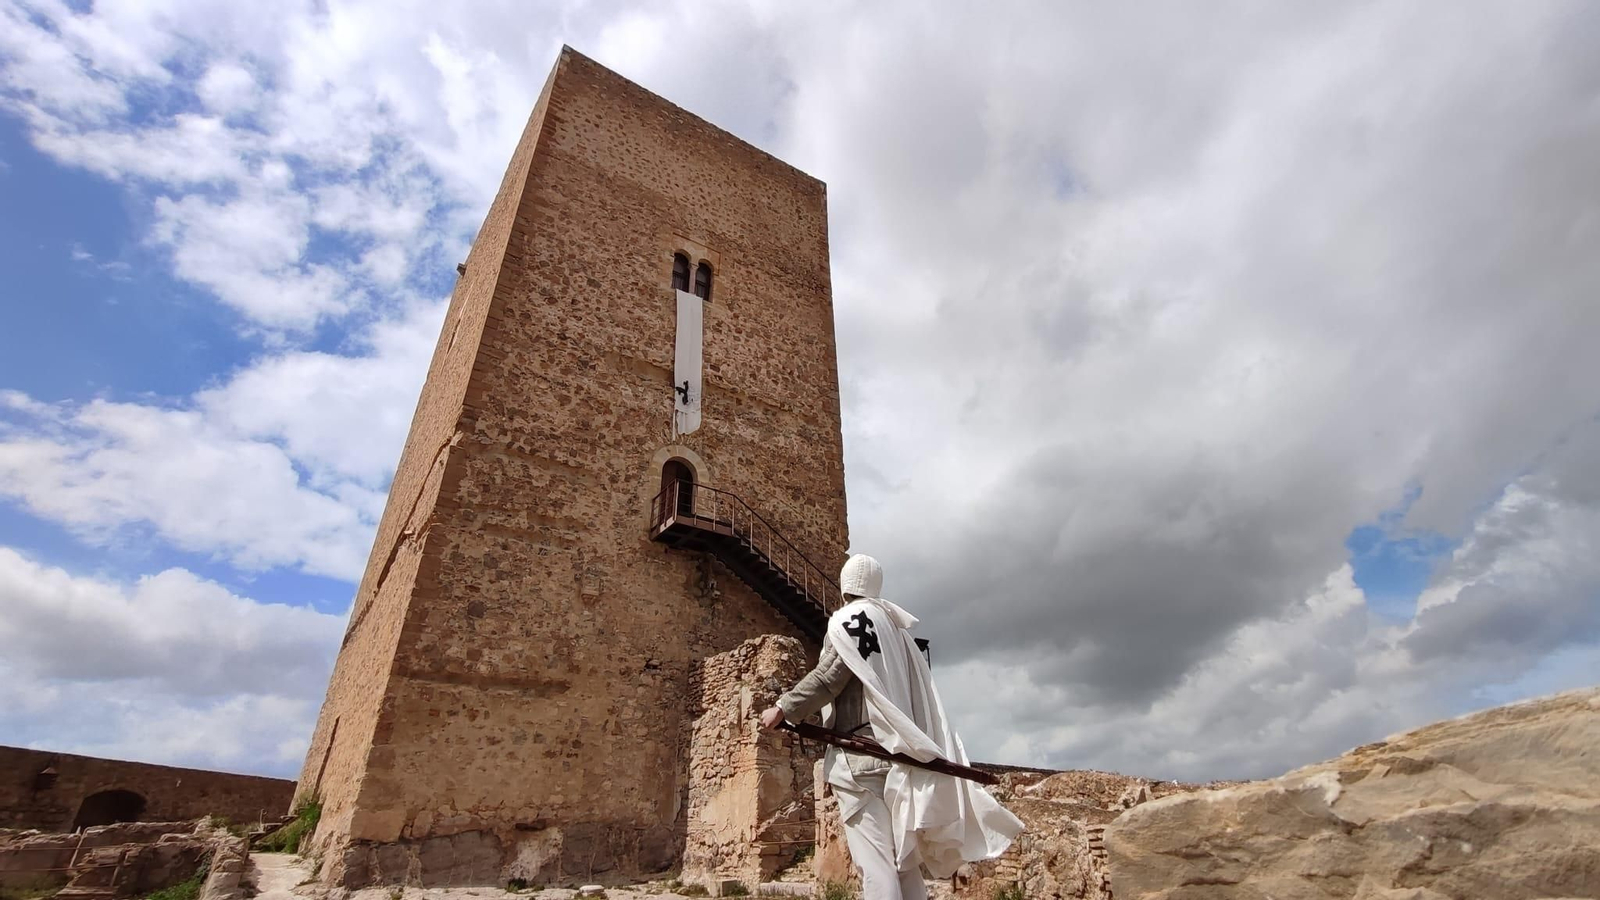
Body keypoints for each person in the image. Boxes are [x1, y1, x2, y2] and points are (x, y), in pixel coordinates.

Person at [759, 555, 1023, 900]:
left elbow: (829, 678)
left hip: (858, 762)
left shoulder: (850, 621)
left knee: (878, 867)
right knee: (903, 865)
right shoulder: (895, 630)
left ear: (844, 587)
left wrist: (783, 708)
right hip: (895, 760)